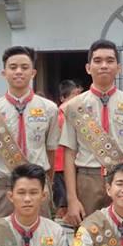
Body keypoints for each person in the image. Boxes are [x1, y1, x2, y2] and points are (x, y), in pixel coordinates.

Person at [60, 40, 123, 227]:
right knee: (89, 238)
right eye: (98, 60)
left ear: (118, 67)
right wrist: (72, 199)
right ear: (88, 67)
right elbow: (69, 154)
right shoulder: (74, 107)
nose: (104, 65)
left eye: (110, 61)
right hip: (88, 180)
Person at [0, 47, 59, 224]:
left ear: (33, 72)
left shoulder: (49, 109)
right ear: (4, 72)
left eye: (24, 67)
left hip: (36, 187)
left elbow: (50, 151)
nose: (18, 71)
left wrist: (45, 182)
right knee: (1, 243)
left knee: (40, 244)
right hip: (2, 188)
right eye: (13, 67)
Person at [53, 80, 82, 223]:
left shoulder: (59, 113)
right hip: (61, 163)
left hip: (62, 163)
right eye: (74, 95)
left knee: (63, 196)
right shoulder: (63, 114)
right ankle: (65, 218)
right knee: (63, 198)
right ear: (63, 98)